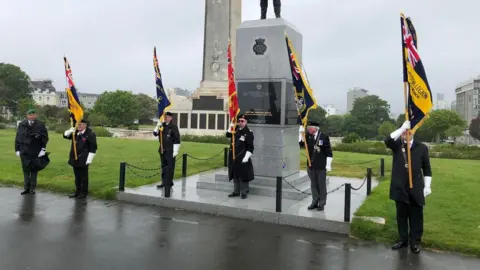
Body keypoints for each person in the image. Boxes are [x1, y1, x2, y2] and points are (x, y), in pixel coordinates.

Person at [385, 121, 432, 254]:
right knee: (401, 215)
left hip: (416, 186)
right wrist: (401, 128)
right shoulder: (397, 146)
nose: (406, 134)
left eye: (409, 131)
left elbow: (427, 168)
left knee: (416, 215)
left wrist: (428, 185)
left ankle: (415, 242)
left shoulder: (422, 148)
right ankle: (403, 239)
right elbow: (387, 140)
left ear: (413, 132)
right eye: (405, 132)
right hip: (400, 186)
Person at [299, 121, 333, 211]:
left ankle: (322, 203)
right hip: (310, 165)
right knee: (313, 184)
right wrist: (300, 133)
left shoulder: (323, 137)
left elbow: (329, 152)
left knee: (321, 185)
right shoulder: (307, 135)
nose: (308, 129)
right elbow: (301, 144)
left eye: (310, 127)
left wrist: (328, 165)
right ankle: (314, 201)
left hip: (321, 166)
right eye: (308, 128)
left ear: (316, 128)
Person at [15, 109, 49, 195]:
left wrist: (43, 149)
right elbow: (18, 137)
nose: (32, 116)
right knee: (26, 170)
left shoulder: (40, 125)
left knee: (34, 170)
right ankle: (26, 188)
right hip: (24, 151)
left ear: (36, 115)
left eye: (33, 114)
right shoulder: (22, 124)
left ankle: (32, 188)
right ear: (27, 115)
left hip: (35, 151)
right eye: (30, 114)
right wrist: (17, 149)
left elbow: (45, 138)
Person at [63, 119, 97, 199]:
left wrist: (89, 159)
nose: (79, 126)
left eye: (81, 124)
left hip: (84, 158)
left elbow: (93, 148)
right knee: (77, 176)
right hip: (75, 157)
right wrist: (70, 131)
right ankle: (77, 191)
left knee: (83, 177)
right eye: (78, 124)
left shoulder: (90, 134)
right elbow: (65, 136)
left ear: (85, 125)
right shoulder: (75, 133)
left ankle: (83, 192)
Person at [226, 114, 254, 199]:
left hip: (242, 156)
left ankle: (244, 191)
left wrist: (246, 157)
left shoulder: (248, 132)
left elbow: (250, 147)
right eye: (239, 121)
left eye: (242, 121)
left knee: (243, 175)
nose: (240, 122)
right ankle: (236, 191)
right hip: (234, 156)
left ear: (246, 122)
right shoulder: (235, 130)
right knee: (235, 174)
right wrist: (231, 125)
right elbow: (228, 135)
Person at [153, 112, 181, 189]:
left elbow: (177, 139)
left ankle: (169, 182)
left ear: (171, 118)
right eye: (165, 117)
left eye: (168, 117)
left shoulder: (174, 127)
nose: (166, 118)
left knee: (170, 167)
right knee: (163, 166)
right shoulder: (161, 126)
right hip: (162, 149)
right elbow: (155, 134)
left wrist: (175, 151)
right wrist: (157, 126)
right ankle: (164, 181)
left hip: (170, 150)